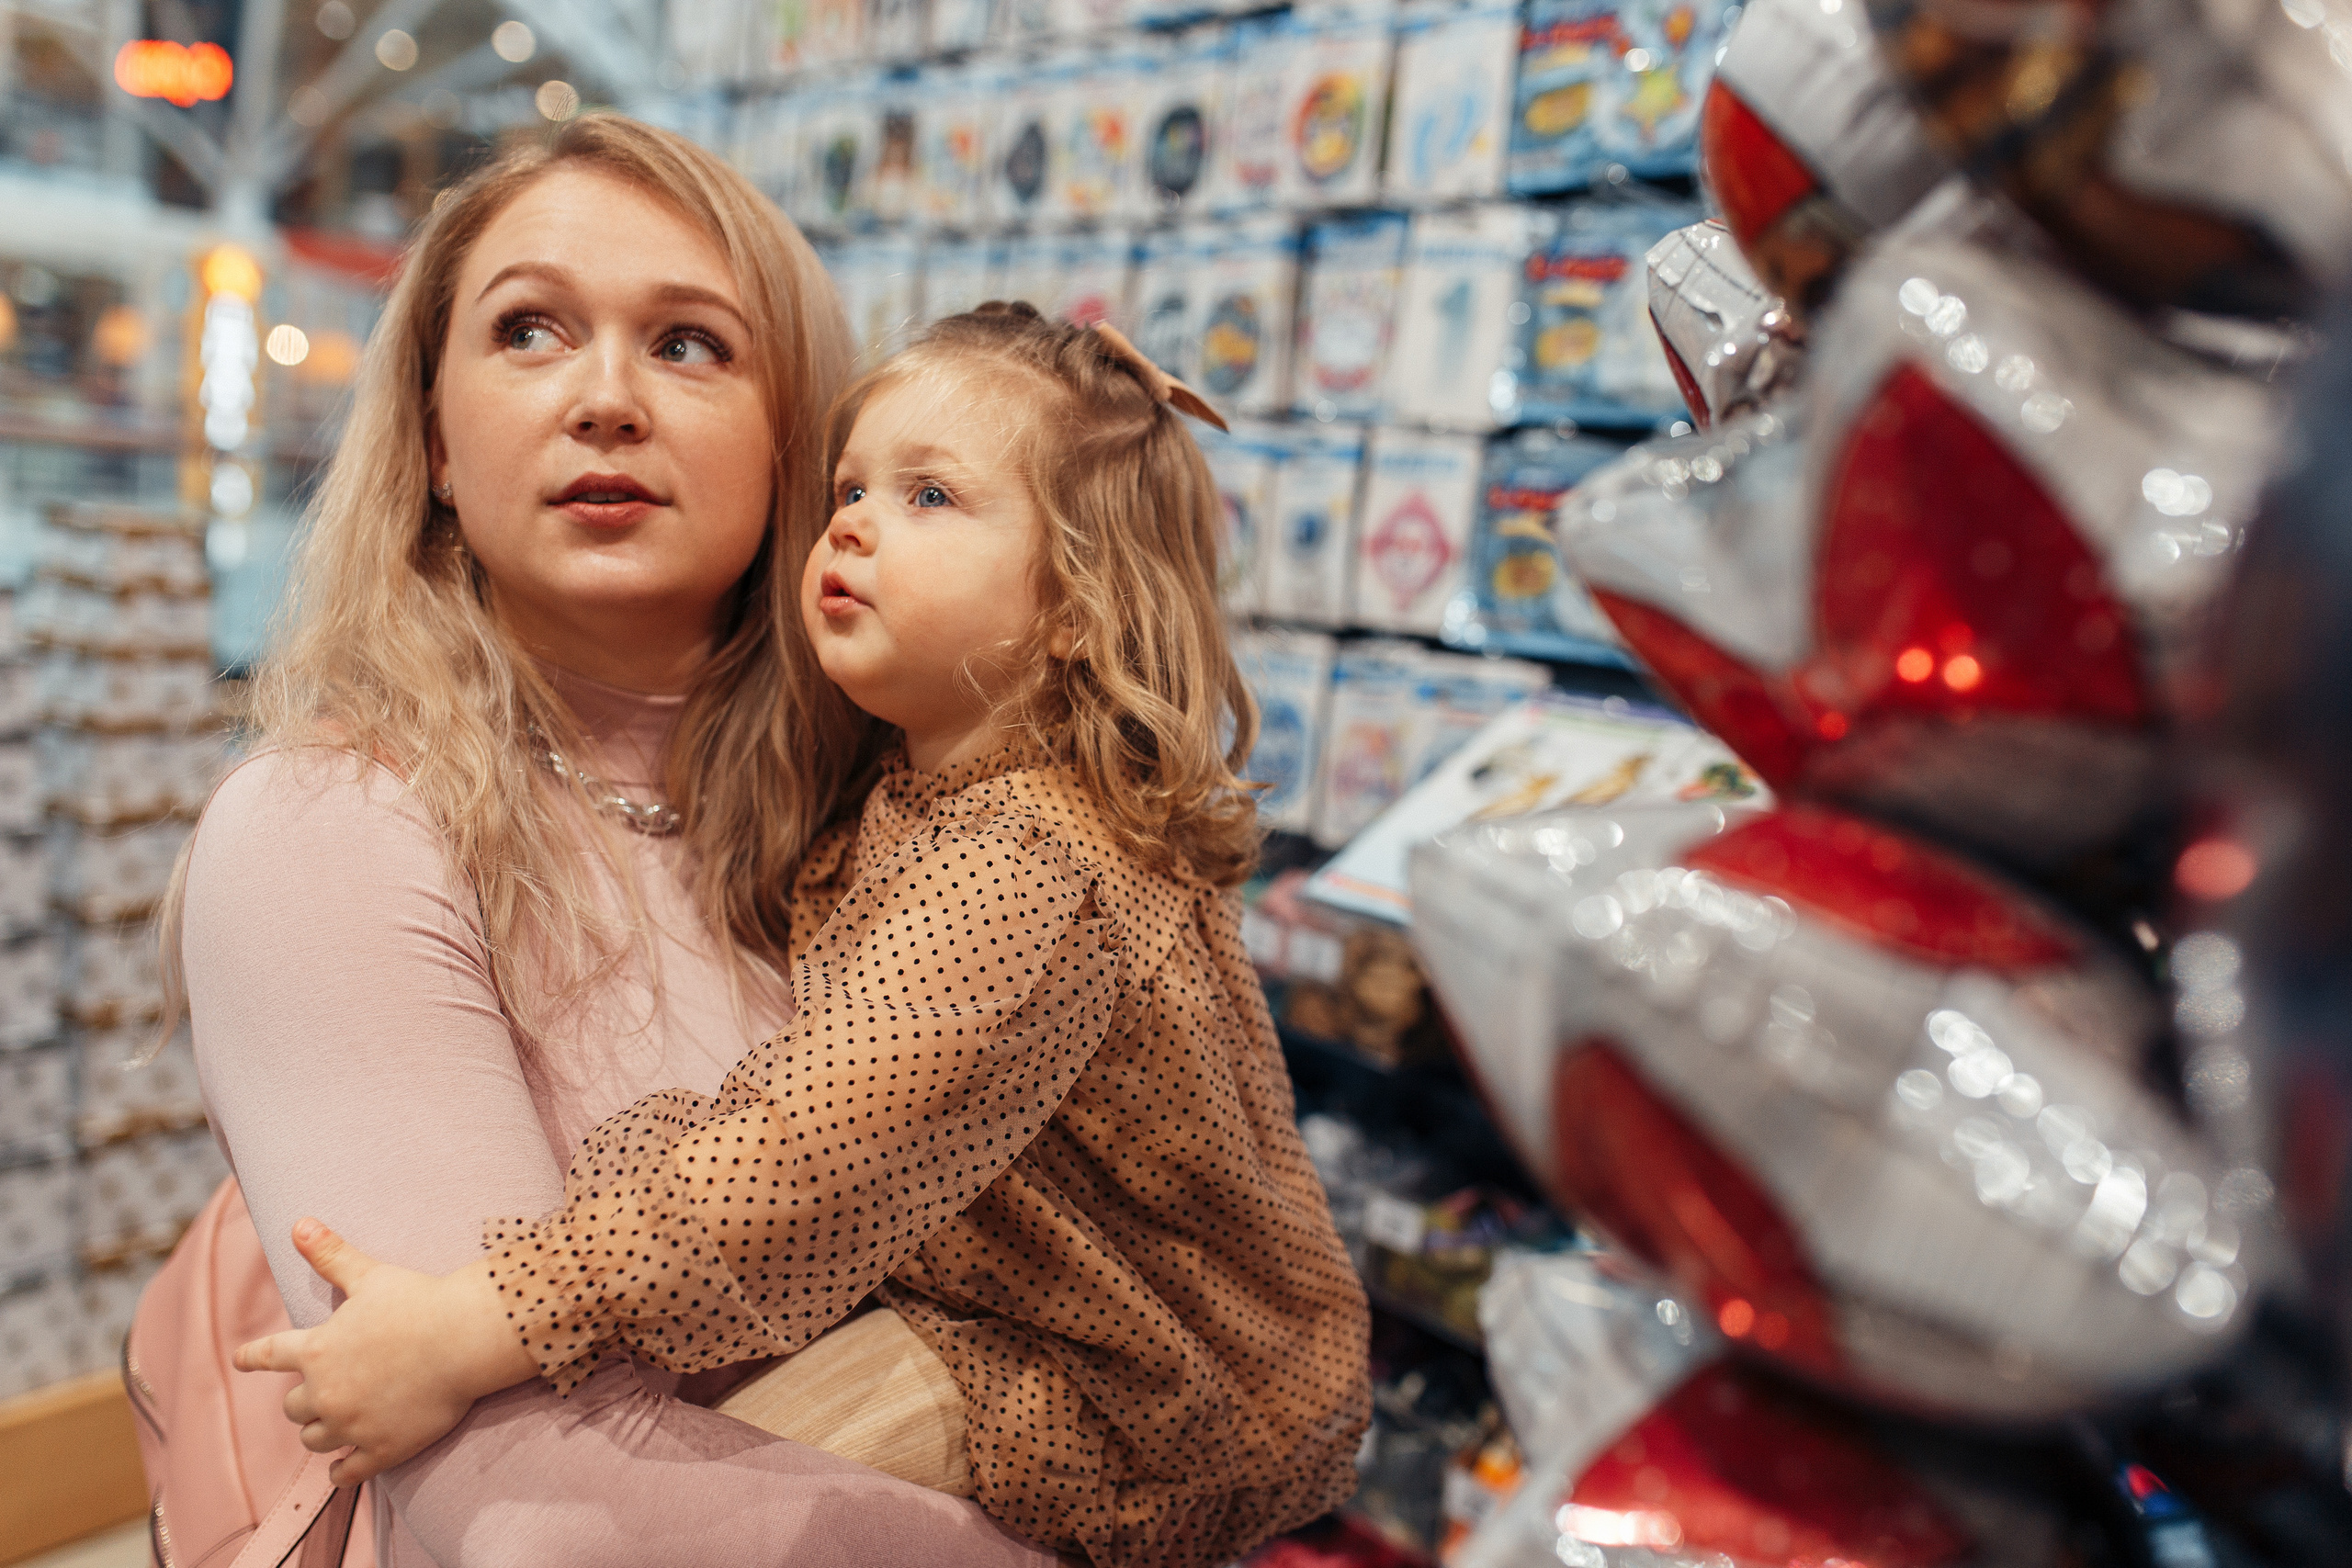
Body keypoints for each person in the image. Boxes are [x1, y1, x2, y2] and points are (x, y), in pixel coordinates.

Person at [237, 305, 1376, 1568]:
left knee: (663, 1531)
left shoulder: (1025, 864)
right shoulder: (920, 794)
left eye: (932, 495)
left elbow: (803, 1159)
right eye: (850, 486)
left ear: (1075, 606)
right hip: (1029, 1321)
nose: (853, 523)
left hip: (1129, 1383)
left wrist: (477, 1321)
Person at [170, 115, 1061, 1567]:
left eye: (692, 345)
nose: (606, 399)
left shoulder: (914, 826)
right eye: (529, 330)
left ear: (800, 447)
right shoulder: (326, 833)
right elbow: (537, 1527)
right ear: (438, 435)